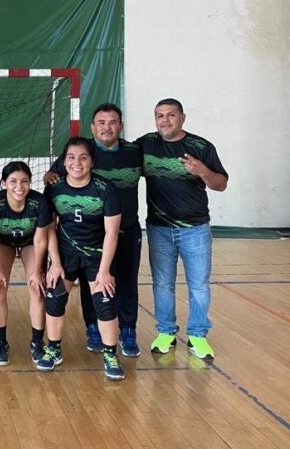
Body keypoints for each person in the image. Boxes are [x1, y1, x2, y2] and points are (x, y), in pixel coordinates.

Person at [44, 104, 143, 357]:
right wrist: (48, 176)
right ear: (93, 126)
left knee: (126, 282)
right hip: (91, 236)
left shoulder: (135, 151)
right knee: (94, 285)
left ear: (120, 125)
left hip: (126, 229)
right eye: (101, 122)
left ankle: (128, 331)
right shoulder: (80, 150)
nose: (106, 127)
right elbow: (55, 174)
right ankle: (93, 329)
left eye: (112, 122)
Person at [136, 98, 228, 360]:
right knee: (163, 284)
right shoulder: (146, 144)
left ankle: (197, 335)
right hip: (158, 229)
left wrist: (202, 171)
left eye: (171, 115)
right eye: (159, 116)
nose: (165, 120)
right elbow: (115, 157)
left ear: (182, 118)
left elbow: (220, 184)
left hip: (195, 229)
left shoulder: (200, 146)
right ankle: (166, 331)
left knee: (198, 285)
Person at [42, 137, 125, 380]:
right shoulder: (55, 189)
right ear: (64, 161)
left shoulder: (104, 189)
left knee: (105, 302)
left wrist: (104, 270)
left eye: (83, 157)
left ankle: (110, 354)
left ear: (91, 162)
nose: (76, 162)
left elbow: (111, 231)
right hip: (65, 256)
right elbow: (49, 228)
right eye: (71, 157)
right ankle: (54, 348)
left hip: (97, 257)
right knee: (54, 300)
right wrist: (55, 263)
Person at [0, 161, 52, 366]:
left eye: (24, 181)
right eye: (13, 181)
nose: (19, 186)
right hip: (3, 243)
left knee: (37, 287)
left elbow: (41, 239)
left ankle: (38, 342)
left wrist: (37, 270)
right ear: (3, 183)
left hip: (30, 242)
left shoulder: (39, 203)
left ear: (30, 183)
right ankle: (1, 343)